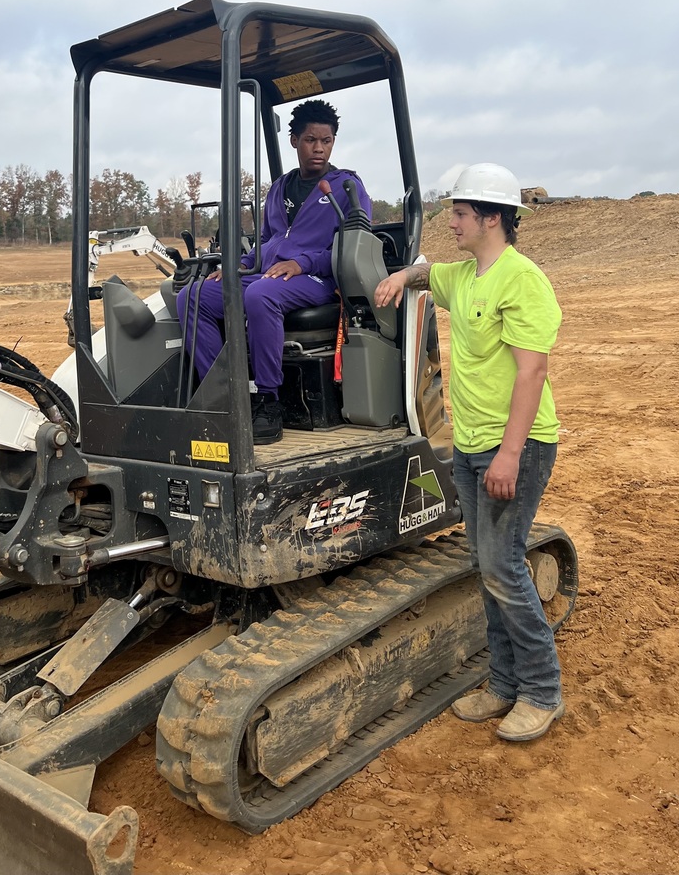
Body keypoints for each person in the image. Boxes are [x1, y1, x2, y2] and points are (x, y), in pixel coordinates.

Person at [373, 162, 564, 742]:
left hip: (517, 448)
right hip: (472, 447)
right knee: (485, 566)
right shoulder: (465, 276)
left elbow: (531, 374)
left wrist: (508, 455)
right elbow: (430, 275)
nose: (448, 221)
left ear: (491, 218)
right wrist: (400, 277)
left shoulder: (521, 278)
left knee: (504, 566)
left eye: (458, 213)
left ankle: (541, 691)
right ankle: (504, 685)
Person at [178, 99, 370, 445]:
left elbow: (353, 250)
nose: (319, 149)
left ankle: (269, 399)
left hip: (318, 280)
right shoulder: (280, 188)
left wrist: (302, 264)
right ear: (294, 140)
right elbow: (268, 240)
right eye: (311, 140)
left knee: (260, 294)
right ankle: (226, 396)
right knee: (192, 296)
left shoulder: (346, 188)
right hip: (271, 275)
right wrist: (240, 264)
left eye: (326, 141)